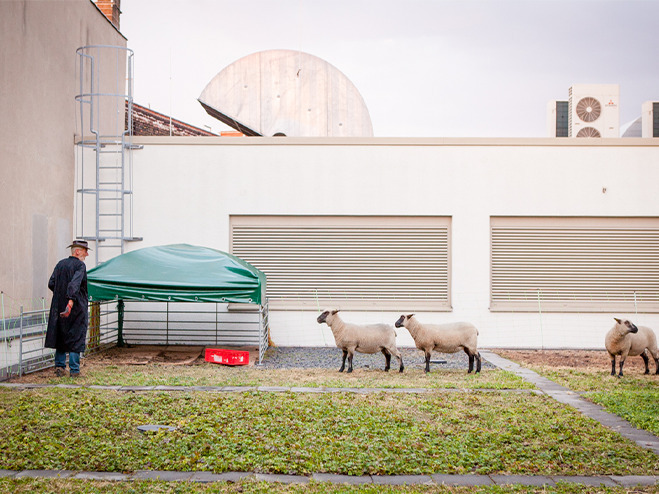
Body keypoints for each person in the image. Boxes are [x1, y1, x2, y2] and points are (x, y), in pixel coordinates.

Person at [45, 240, 90, 377]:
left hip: (59, 306)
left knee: (61, 334)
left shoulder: (60, 264)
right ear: (78, 252)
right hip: (75, 307)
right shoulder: (80, 266)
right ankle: (75, 370)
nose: (87, 254)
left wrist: (60, 296)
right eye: (85, 251)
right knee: (76, 335)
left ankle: (59, 367)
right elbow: (74, 284)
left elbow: (51, 283)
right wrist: (70, 301)